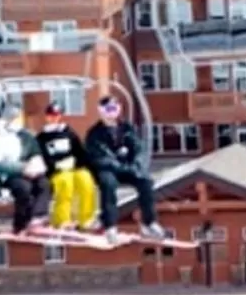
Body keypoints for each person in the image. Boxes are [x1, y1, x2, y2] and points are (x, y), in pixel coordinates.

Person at [86, 96, 163, 238]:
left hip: (128, 168)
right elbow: (101, 156)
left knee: (145, 181)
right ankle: (109, 225)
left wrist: (137, 164)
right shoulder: (95, 133)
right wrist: (120, 166)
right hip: (108, 169)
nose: (112, 113)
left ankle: (149, 222)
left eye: (114, 108)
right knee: (108, 184)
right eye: (108, 109)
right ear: (101, 111)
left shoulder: (127, 128)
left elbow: (138, 148)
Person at [38, 103, 97, 230]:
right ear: (46, 117)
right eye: (51, 115)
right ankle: (62, 220)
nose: (54, 118)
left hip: (73, 167)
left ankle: (86, 219)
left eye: (56, 115)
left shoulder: (68, 133)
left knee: (86, 180)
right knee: (65, 183)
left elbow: (80, 152)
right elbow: (42, 158)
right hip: (56, 171)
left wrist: (77, 163)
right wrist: (56, 165)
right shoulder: (42, 138)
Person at [0, 109, 46, 234]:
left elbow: (36, 153)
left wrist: (36, 166)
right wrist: (22, 168)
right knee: (24, 188)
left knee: (44, 184)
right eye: (15, 118)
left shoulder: (27, 137)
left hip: (31, 171)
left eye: (19, 118)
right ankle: (20, 224)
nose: (17, 121)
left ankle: (37, 217)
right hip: (11, 175)